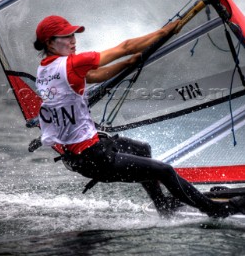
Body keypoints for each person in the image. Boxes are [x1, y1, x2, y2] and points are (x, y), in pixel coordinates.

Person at [31, 15, 245, 218]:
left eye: (73, 35)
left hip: (82, 155)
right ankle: (215, 210)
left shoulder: (45, 70)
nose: (73, 40)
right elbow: (125, 47)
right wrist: (165, 31)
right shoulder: (72, 64)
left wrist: (128, 63)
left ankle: (163, 206)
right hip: (95, 158)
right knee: (165, 171)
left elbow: (95, 75)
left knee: (142, 149)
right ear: (50, 44)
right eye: (66, 37)